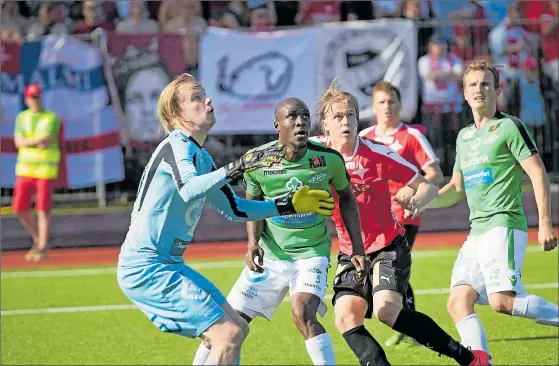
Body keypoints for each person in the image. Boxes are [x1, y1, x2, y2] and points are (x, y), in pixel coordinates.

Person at [116, 74, 336, 365]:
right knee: (228, 334)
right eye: (196, 97)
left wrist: (288, 205)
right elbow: (189, 188)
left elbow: (236, 209)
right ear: (177, 112)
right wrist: (238, 166)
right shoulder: (176, 146)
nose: (207, 100)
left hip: (169, 265)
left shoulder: (200, 155)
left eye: (205, 94)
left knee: (238, 329)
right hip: (147, 268)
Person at [311, 81, 488, 366]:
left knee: (385, 310)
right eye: (338, 117)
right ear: (325, 125)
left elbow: (427, 184)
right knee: (345, 316)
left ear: (358, 119)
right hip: (351, 250)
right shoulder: (315, 154)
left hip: (388, 245)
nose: (345, 122)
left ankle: (468, 358)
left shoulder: (378, 153)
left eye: (350, 115)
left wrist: (418, 200)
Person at [193, 97, 368, 365]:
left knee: (303, 313)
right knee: (226, 324)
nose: (301, 122)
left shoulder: (329, 159)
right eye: (293, 117)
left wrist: (358, 247)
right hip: (271, 255)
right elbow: (252, 205)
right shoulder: (259, 161)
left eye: (305, 116)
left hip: (312, 253)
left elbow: (346, 199)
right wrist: (252, 244)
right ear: (277, 124)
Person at [430, 59, 558, 363]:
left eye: (485, 83)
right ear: (463, 93)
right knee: (458, 301)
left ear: (497, 90)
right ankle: (480, 359)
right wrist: (420, 202)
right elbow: (456, 188)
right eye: (473, 84)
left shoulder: (509, 127)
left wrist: (545, 223)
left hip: (504, 225)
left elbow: (537, 172)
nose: (479, 89)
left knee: (502, 302)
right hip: (477, 233)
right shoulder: (464, 137)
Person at [359, 81, 444, 347]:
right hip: (371, 217)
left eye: (392, 101)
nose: (387, 107)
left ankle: (411, 328)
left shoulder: (411, 136)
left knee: (391, 271)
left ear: (399, 104)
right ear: (373, 106)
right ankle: (407, 325)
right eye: (382, 102)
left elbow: (435, 174)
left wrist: (412, 191)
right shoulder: (365, 137)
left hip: (403, 215)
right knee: (383, 273)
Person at [13, 83, 62, 262]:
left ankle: (41, 247)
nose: (36, 100)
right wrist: (35, 142)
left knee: (43, 209)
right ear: (26, 99)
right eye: (32, 97)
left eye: (38, 96)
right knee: (19, 208)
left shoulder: (50, 117)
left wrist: (28, 141)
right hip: (25, 170)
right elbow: (19, 142)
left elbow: (47, 139)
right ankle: (39, 237)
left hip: (44, 171)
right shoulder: (22, 118)